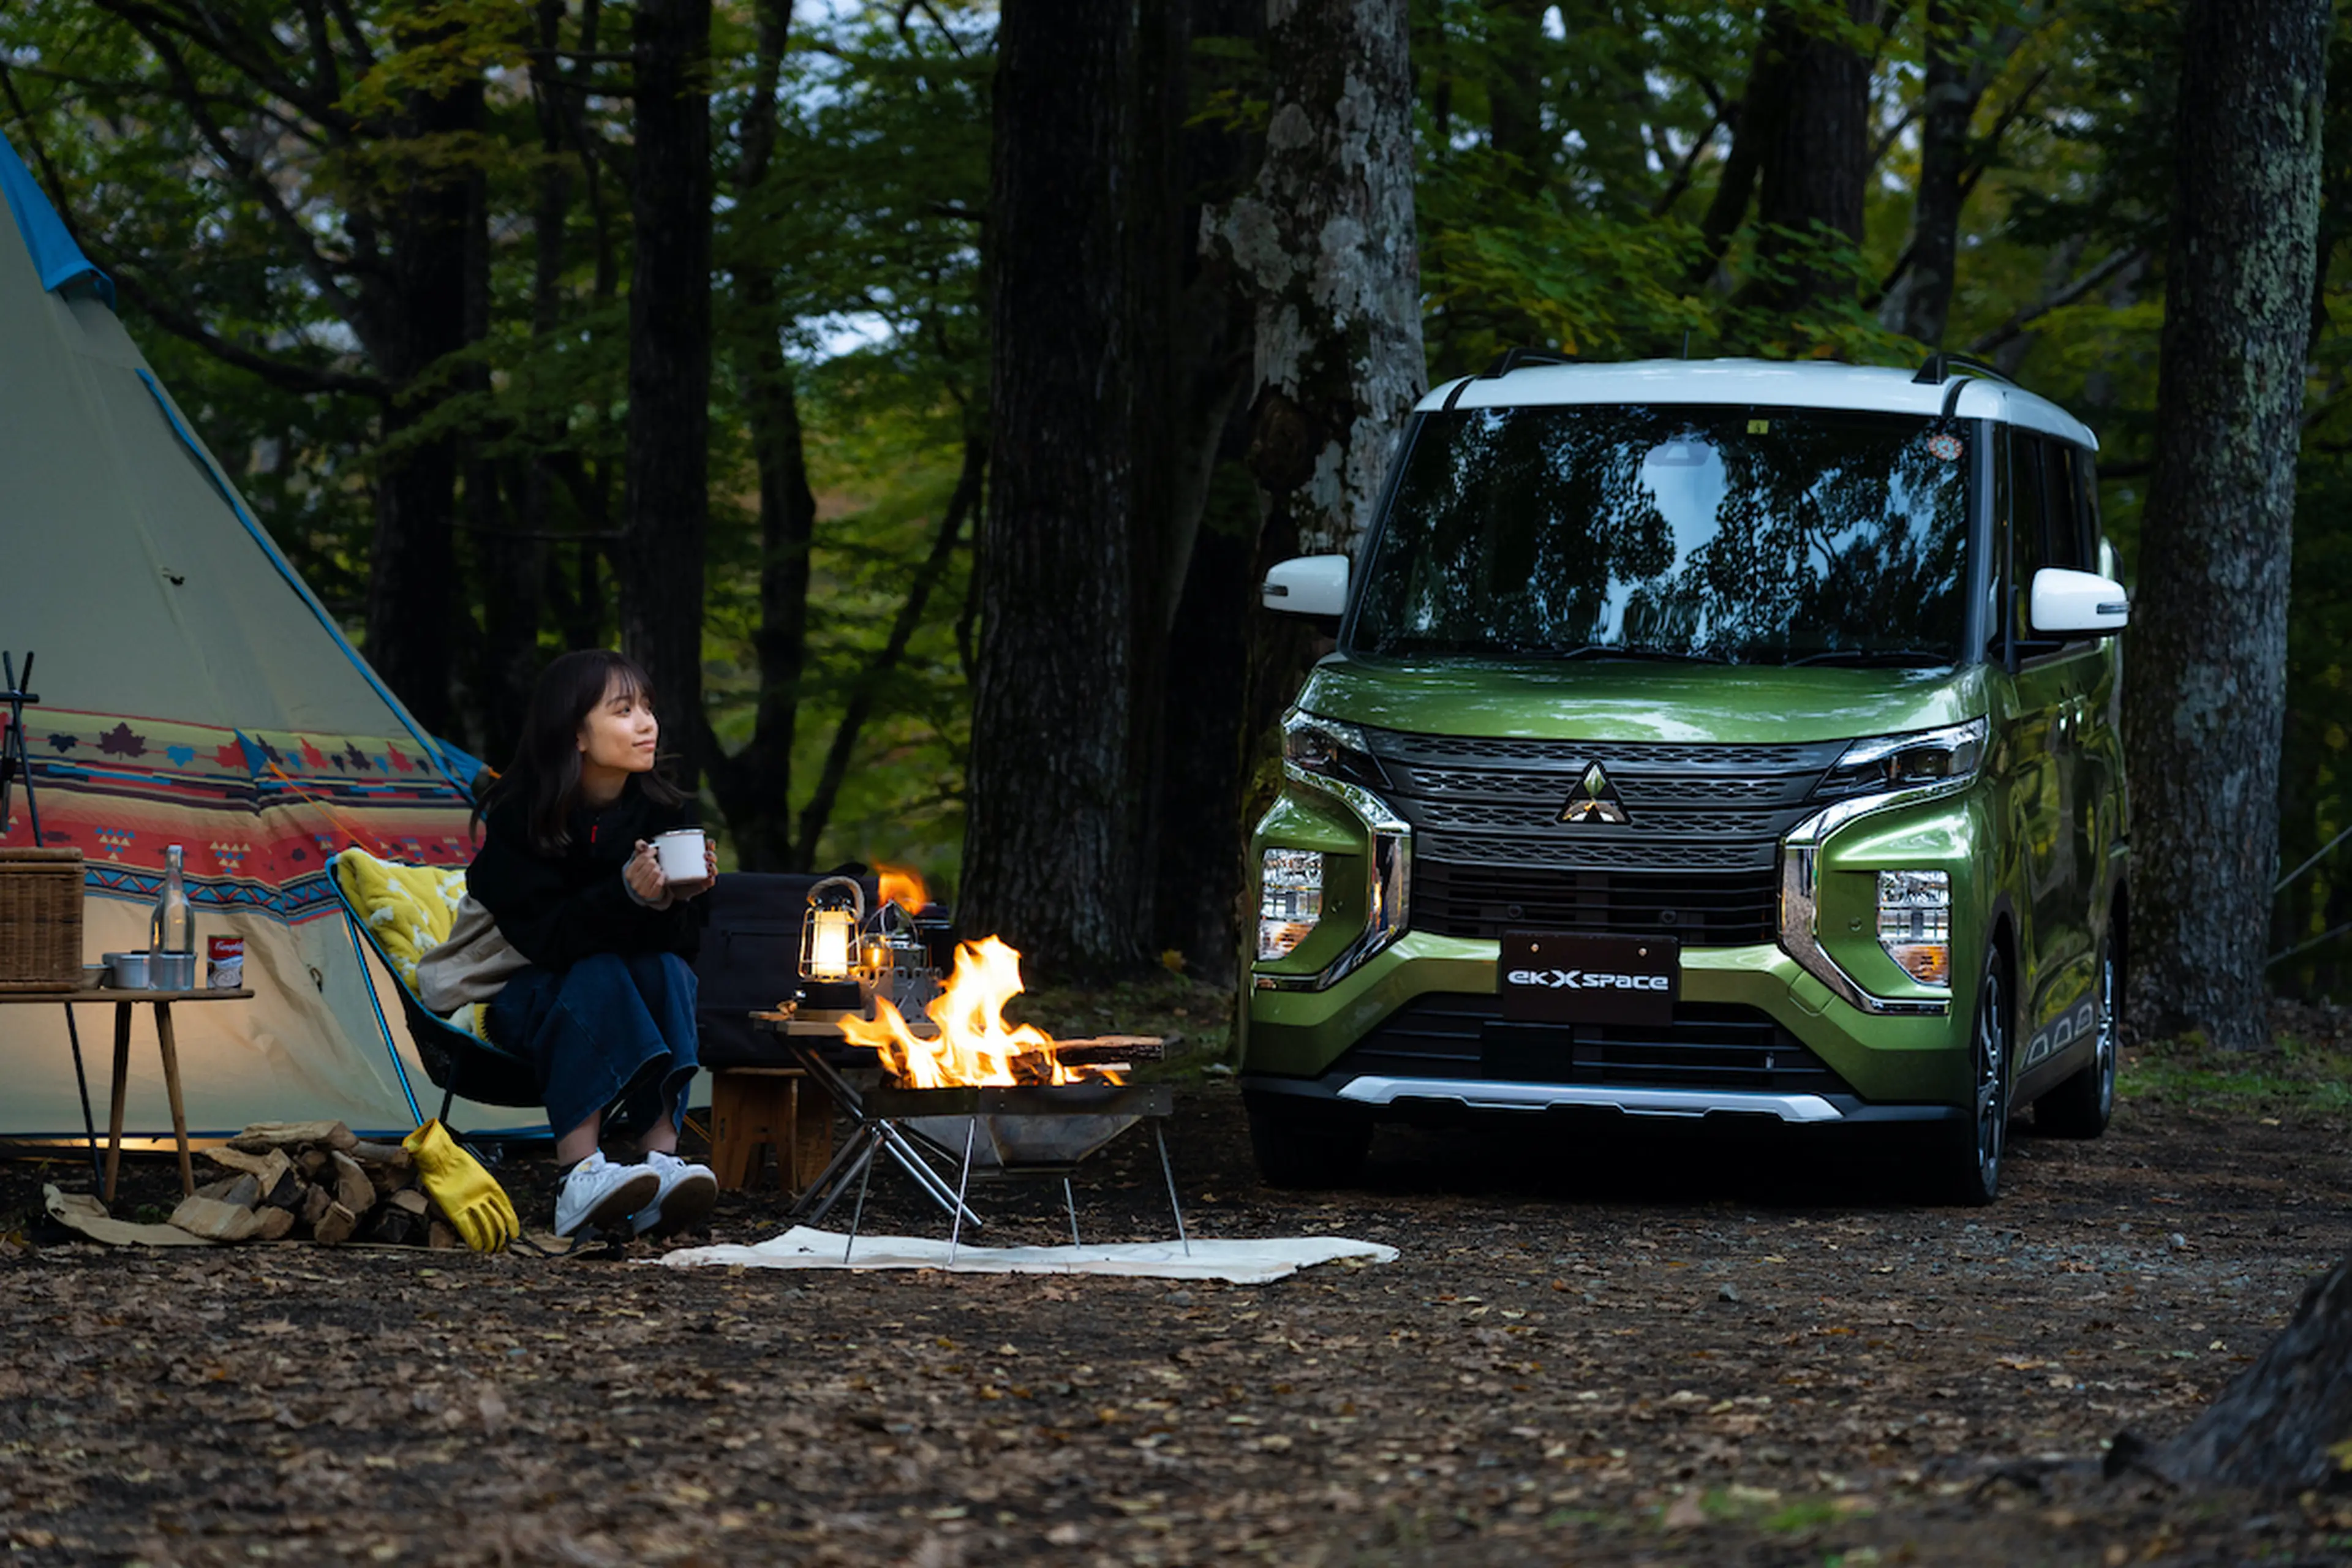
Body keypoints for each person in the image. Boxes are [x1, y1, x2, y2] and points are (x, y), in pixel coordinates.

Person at [464, 649, 722, 1238]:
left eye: (648, 709)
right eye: (624, 710)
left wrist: (679, 899)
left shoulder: (661, 810)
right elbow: (547, 943)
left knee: (667, 970)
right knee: (602, 969)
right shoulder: (520, 817)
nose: (647, 723)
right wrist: (624, 896)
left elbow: (683, 948)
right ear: (576, 733)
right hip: (519, 1000)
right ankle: (576, 1176)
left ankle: (661, 1161)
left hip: (624, 1001)